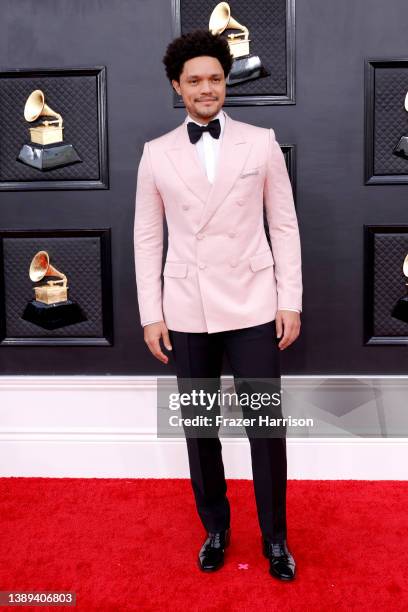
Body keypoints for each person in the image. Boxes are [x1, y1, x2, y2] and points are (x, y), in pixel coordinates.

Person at [133, 30, 302, 581]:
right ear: (177, 87)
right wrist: (151, 314)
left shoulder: (261, 141)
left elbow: (283, 225)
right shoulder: (155, 154)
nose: (207, 89)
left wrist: (290, 300)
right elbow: (146, 239)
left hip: (254, 304)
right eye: (195, 80)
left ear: (226, 82)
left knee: (264, 429)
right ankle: (216, 529)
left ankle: (275, 538)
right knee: (200, 429)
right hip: (188, 309)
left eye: (215, 79)